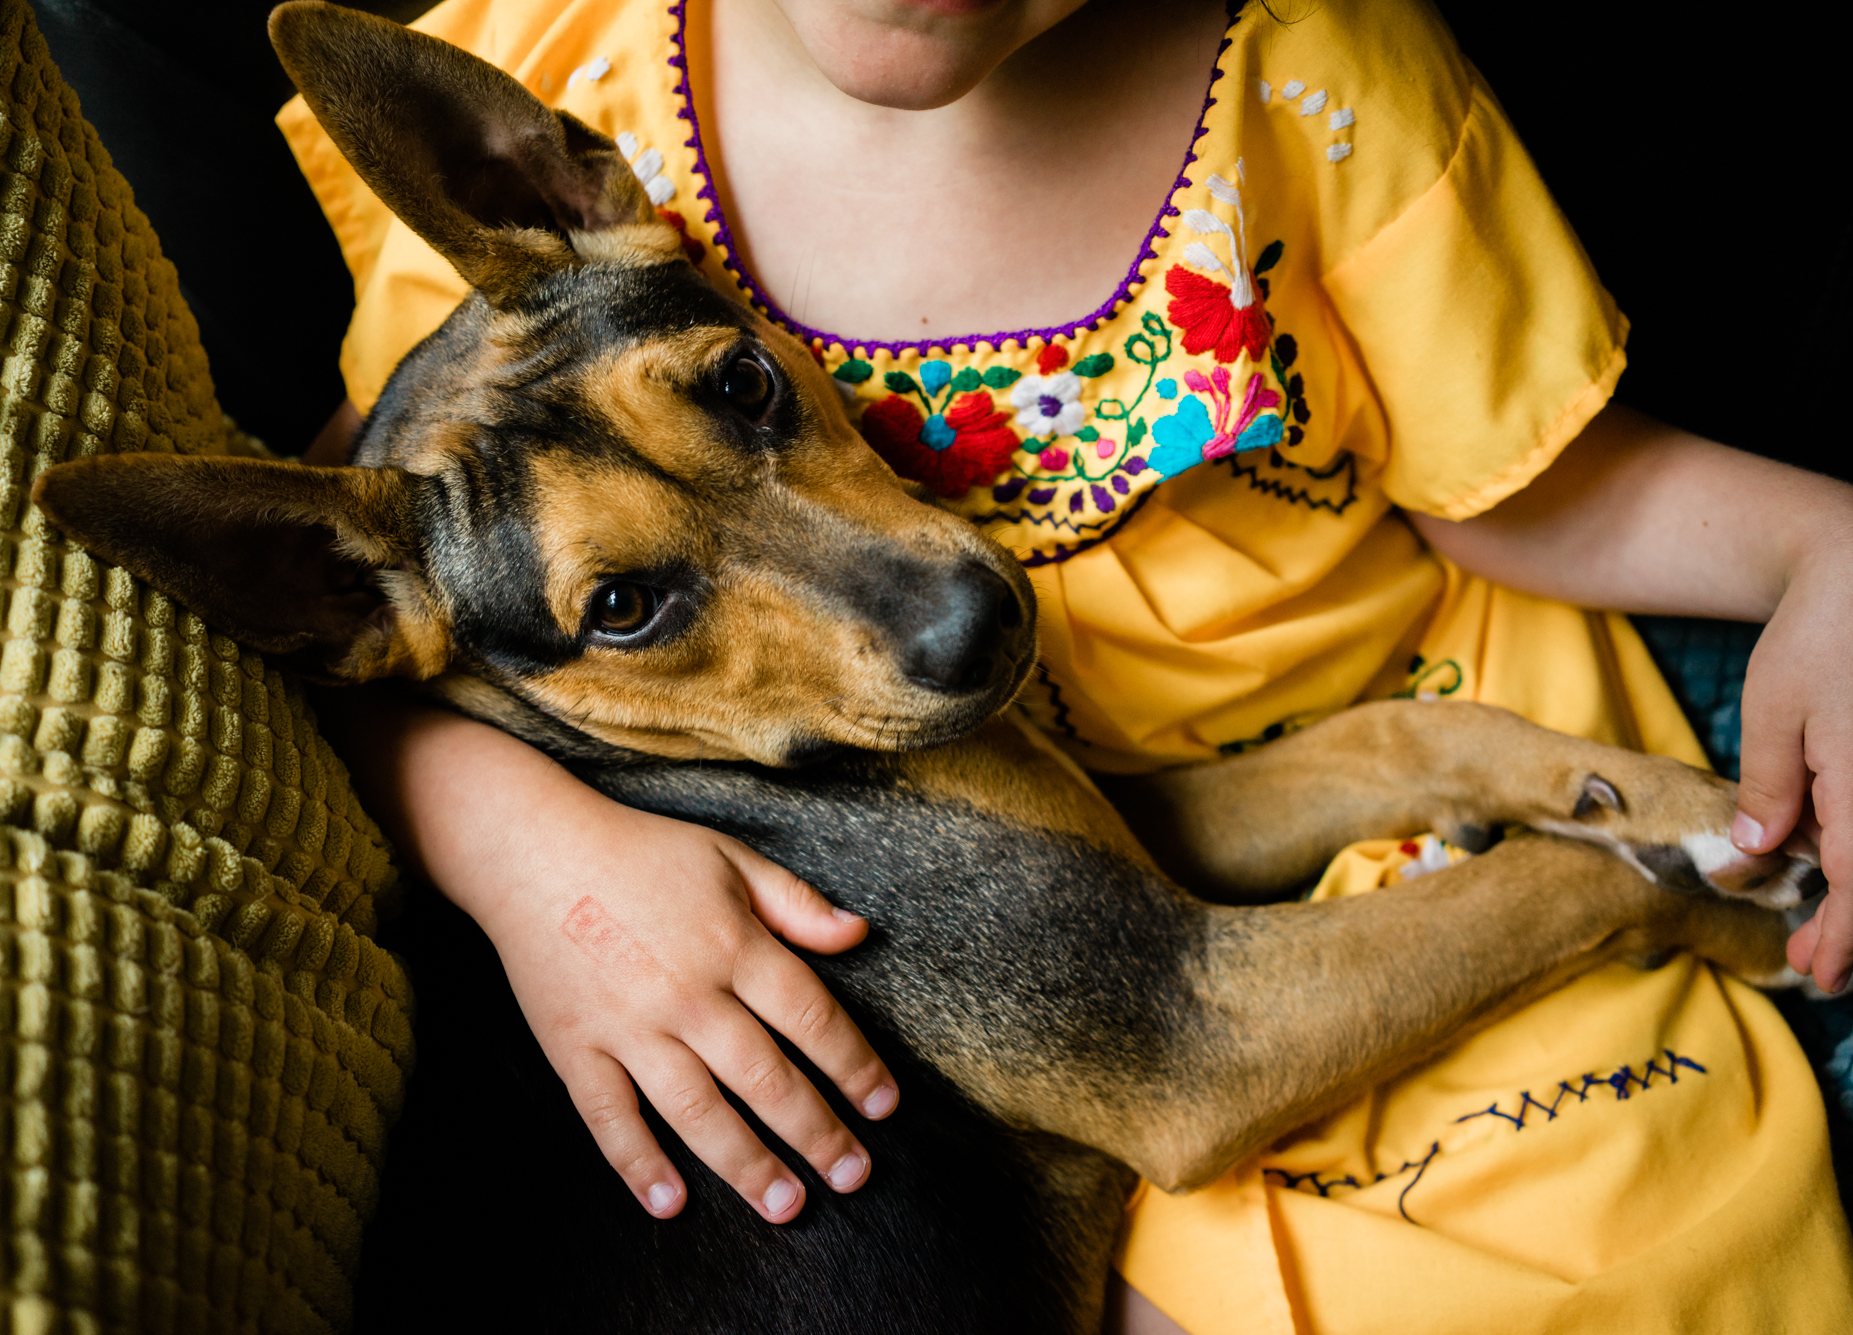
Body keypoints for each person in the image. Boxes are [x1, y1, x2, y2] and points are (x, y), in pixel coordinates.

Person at [279, 0, 1853, 1329]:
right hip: (1147, 1038)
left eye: (746, 391)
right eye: (632, 602)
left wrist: (1826, 543)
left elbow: (1533, 484)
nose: (936, 618)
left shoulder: (1311, 78)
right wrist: (523, 848)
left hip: (1291, 800)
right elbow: (334, 600)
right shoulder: (572, 77)